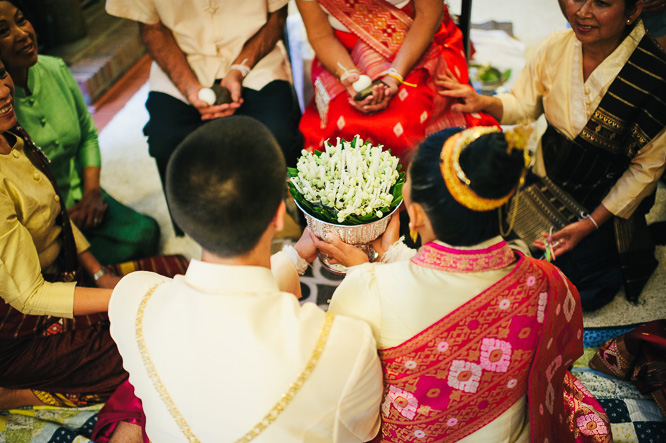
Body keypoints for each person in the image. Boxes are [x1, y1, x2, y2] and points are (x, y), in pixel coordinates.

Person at [93, 116, 383, 442]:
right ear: (278, 215)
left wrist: (296, 256)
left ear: (183, 218)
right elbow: (363, 433)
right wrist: (367, 274)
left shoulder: (133, 299)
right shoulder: (345, 343)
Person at [313, 127, 611, 442]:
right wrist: (390, 261)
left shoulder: (366, 291)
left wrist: (364, 275)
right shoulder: (548, 282)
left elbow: (344, 401)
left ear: (414, 217)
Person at [439, 0, 666, 310]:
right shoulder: (555, 47)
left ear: (634, 10)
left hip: (602, 202)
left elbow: (645, 171)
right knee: (482, 227)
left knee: (576, 281)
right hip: (548, 175)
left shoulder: (655, 78)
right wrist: (482, 101)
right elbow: (523, 105)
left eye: (601, 2)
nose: (582, 12)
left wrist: (589, 224)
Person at [0, 55, 187, 411]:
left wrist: (100, 275)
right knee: (149, 352)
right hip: (22, 329)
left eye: (0, 73)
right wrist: (130, 295)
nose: (3, 90)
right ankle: (13, 391)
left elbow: (55, 211)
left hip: (66, 275)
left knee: (179, 271)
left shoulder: (13, 137)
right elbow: (28, 296)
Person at [104, 0, 304, 234]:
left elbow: (277, 18)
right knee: (164, 138)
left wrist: (239, 70)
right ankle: (196, 227)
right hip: (183, 60)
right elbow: (152, 28)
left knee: (280, 132)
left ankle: (292, 212)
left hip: (253, 60)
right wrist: (189, 88)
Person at [0, 0, 160, 265]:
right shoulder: (4, 110)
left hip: (80, 193)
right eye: (3, 31)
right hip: (43, 222)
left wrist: (92, 193)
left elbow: (87, 134)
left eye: (22, 20)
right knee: (107, 258)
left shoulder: (56, 69)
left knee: (146, 234)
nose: (22, 33)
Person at [295, 0, 497, 167]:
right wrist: (349, 76)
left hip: (414, 44)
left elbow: (429, 17)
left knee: (407, 119)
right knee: (342, 125)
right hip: (342, 54)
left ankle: (417, 201)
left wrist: (394, 76)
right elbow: (320, 35)